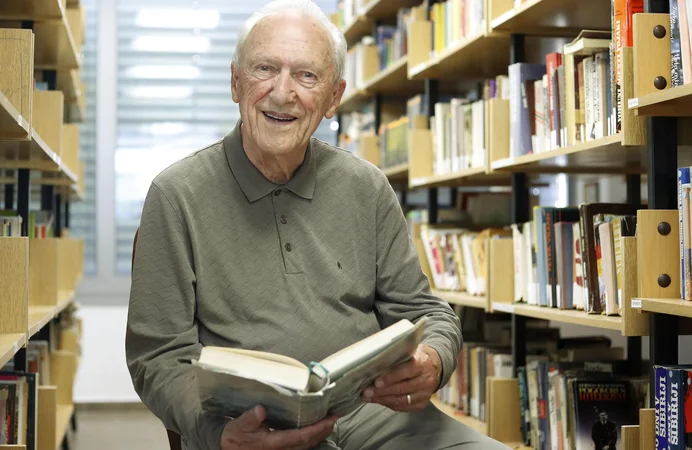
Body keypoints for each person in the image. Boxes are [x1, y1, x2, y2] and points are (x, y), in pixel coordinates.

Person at [125, 1, 510, 449]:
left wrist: (432, 360)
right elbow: (157, 357)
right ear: (235, 82)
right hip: (256, 425)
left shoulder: (367, 187)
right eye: (265, 69)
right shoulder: (176, 195)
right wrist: (219, 433)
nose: (283, 92)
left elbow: (424, 311)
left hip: (373, 414)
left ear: (333, 98)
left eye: (307, 75)